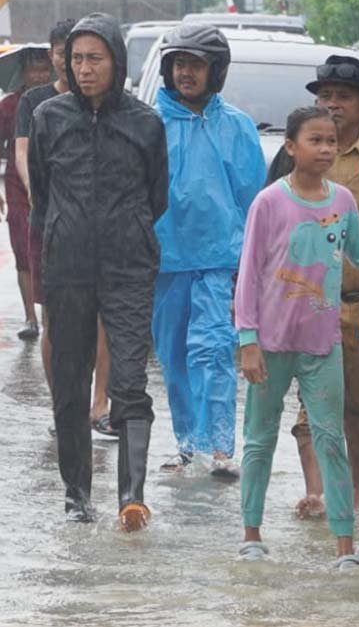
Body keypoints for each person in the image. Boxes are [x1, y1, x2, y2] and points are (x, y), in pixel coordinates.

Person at [28, 13, 168, 530]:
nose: (84, 69)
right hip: (66, 267)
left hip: (129, 266)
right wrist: (68, 233)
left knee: (130, 380)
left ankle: (131, 496)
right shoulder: (49, 118)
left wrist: (124, 230)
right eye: (76, 59)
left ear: (117, 62)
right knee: (69, 382)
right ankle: (76, 496)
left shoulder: (145, 123)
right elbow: (43, 195)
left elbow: (158, 196)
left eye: (95, 59)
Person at [268, 54, 359, 515]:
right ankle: (318, 490)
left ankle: (352, 485)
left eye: (343, 97)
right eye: (325, 96)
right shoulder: (290, 154)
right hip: (304, 301)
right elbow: (267, 227)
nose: (332, 105)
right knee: (310, 404)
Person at [235, 106, 359, 569]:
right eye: (315, 140)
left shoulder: (344, 202)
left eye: (332, 141)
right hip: (269, 343)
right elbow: (248, 273)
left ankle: (345, 547)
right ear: (291, 146)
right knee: (259, 438)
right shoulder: (269, 202)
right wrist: (247, 339)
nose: (327, 149)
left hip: (322, 342)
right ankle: (251, 534)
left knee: (332, 439)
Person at [150, 24, 265, 478]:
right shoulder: (150, 123)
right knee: (173, 354)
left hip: (219, 259)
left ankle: (219, 448)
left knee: (214, 349)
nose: (186, 73)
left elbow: (253, 196)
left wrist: (250, 260)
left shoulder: (235, 125)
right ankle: (187, 445)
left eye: (195, 65)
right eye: (179, 64)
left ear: (215, 71)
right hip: (165, 259)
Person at [15, 19, 116, 439]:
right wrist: (42, 197)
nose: (75, 63)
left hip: (105, 233)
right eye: (68, 54)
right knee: (54, 318)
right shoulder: (38, 105)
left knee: (103, 318)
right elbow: (26, 156)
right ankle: (65, 403)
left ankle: (99, 403)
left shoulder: (119, 110)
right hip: (53, 224)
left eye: (90, 56)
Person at [0, 48, 54, 340]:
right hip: (17, 188)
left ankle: (50, 315)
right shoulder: (9, 106)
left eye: (43, 69)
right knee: (23, 252)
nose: (38, 75)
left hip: (54, 187)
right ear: (22, 73)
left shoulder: (62, 102)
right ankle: (30, 317)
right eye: (32, 70)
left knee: (52, 253)